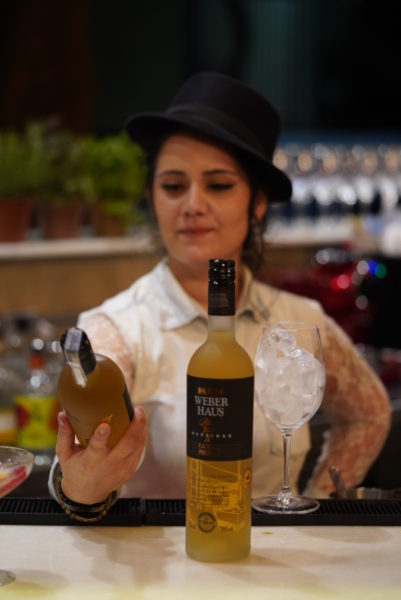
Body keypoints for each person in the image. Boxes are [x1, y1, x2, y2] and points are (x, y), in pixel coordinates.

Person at [49, 72, 391, 520]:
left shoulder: (298, 320)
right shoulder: (117, 326)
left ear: (258, 203)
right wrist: (79, 487)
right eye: (173, 186)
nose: (192, 204)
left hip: (276, 574)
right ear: (152, 200)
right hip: (159, 573)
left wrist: (318, 502)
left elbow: (370, 414)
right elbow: (78, 450)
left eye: (219, 184)